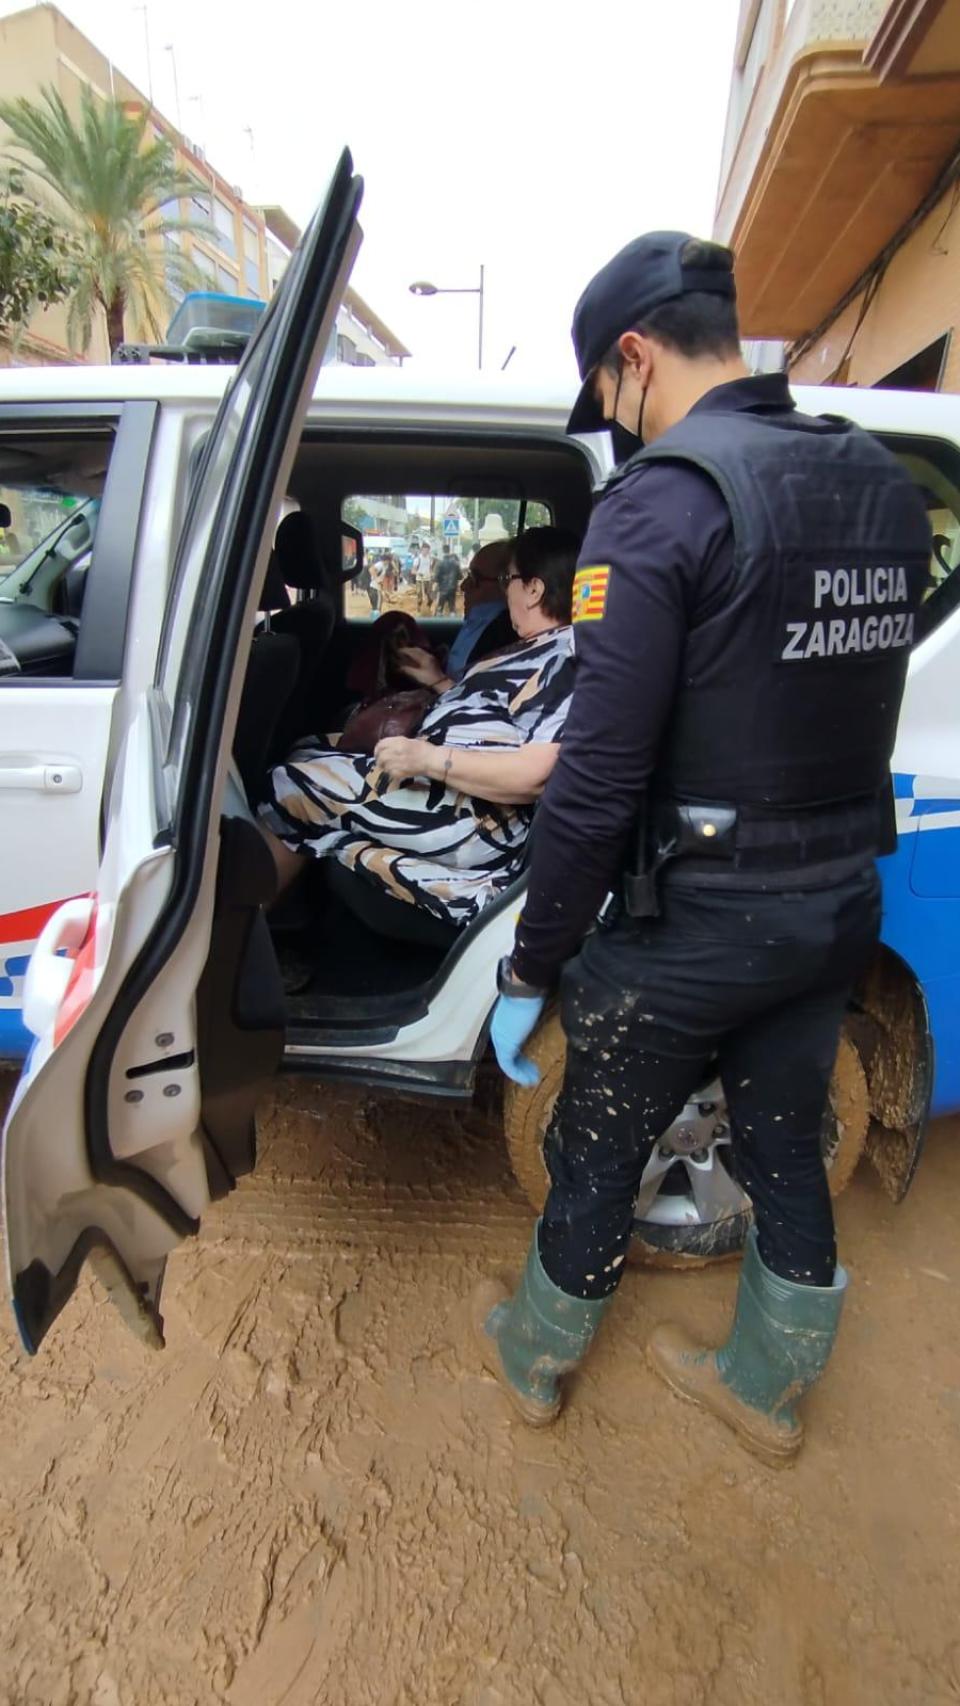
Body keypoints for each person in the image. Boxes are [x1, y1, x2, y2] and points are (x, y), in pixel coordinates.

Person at [472, 231, 932, 1461]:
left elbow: (600, 776)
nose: (614, 421)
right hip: (836, 903)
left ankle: (533, 1358)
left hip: (698, 923)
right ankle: (767, 1390)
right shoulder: (878, 484)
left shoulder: (660, 504)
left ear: (632, 358)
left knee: (595, 1145)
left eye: (608, 395)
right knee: (786, 1139)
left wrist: (534, 964)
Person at [258, 527, 580, 929]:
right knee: (306, 749)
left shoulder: (565, 657)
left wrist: (427, 759)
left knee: (290, 784)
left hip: (475, 820)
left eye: (507, 580)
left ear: (533, 589)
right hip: (456, 795)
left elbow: (534, 776)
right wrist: (439, 682)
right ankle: (292, 917)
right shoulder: (538, 644)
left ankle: (245, 937)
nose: (504, 592)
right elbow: (501, 716)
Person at [444, 540, 516, 680]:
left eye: (474, 578)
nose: (464, 586)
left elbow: (478, 696)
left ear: (506, 583)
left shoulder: (506, 633)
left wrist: (433, 678)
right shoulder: (479, 621)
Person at [435, 546, 462, 615]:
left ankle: (438, 622)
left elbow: (436, 577)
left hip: (442, 588)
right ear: (449, 551)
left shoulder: (439, 563)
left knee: (440, 607)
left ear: (442, 551)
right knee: (452, 607)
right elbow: (460, 576)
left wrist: (438, 582)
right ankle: (452, 621)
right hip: (453, 587)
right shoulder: (455, 563)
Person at [415, 542, 436, 613]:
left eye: (427, 550)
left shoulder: (430, 559)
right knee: (419, 595)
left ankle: (428, 607)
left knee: (430, 596)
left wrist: (432, 573)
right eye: (425, 550)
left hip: (428, 579)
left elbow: (430, 569)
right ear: (422, 550)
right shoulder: (418, 559)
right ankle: (419, 608)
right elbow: (413, 570)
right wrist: (418, 573)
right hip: (419, 580)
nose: (426, 552)